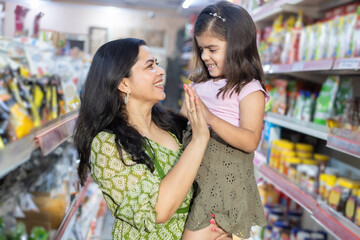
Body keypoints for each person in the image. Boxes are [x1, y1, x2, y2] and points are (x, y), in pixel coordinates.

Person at [74, 38, 230, 239]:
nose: (161, 71)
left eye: (157, 63)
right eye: (150, 66)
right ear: (124, 83)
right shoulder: (107, 145)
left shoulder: (173, 125)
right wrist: (200, 140)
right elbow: (158, 210)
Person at [180, 1, 268, 239]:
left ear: (238, 46)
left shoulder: (248, 89)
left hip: (222, 186)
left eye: (212, 49)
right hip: (193, 177)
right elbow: (182, 123)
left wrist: (208, 118)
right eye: (201, 50)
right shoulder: (199, 84)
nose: (205, 56)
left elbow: (250, 141)